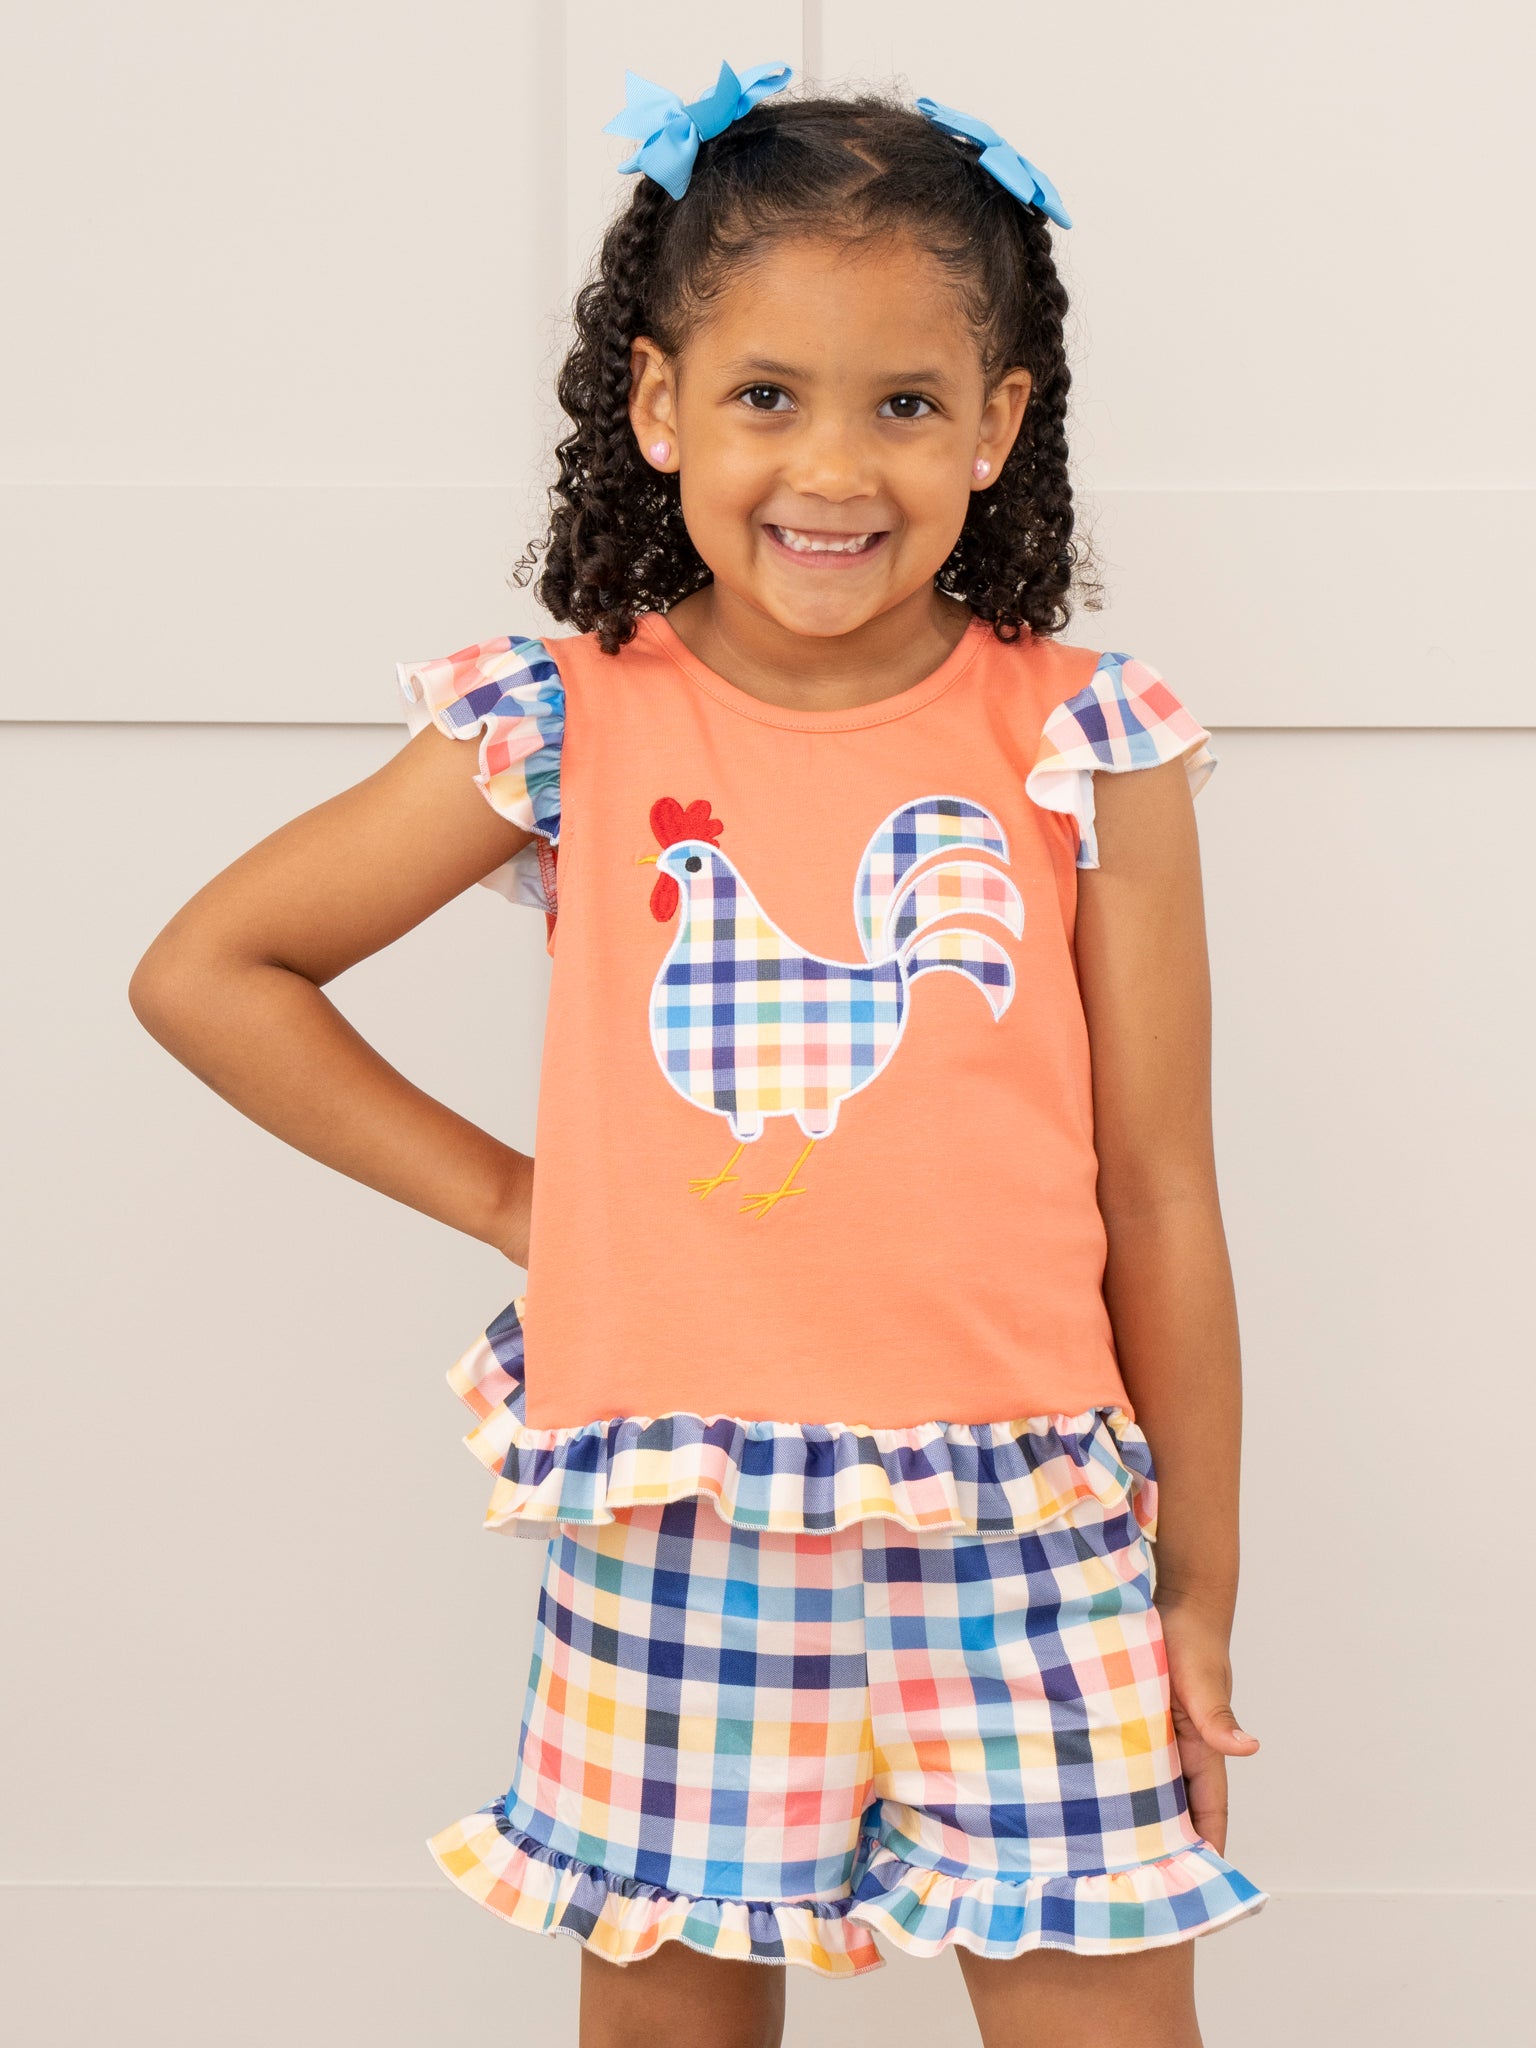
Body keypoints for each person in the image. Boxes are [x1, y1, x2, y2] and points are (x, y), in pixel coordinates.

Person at [129, 59, 1268, 2048]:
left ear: (997, 424)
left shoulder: (1086, 739)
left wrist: (1199, 1587)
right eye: (766, 395)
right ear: (658, 403)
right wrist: (526, 1203)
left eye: (903, 403)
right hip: (679, 1522)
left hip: (1032, 1531)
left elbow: (1163, 1191)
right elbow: (212, 969)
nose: (833, 466)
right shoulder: (565, 717)